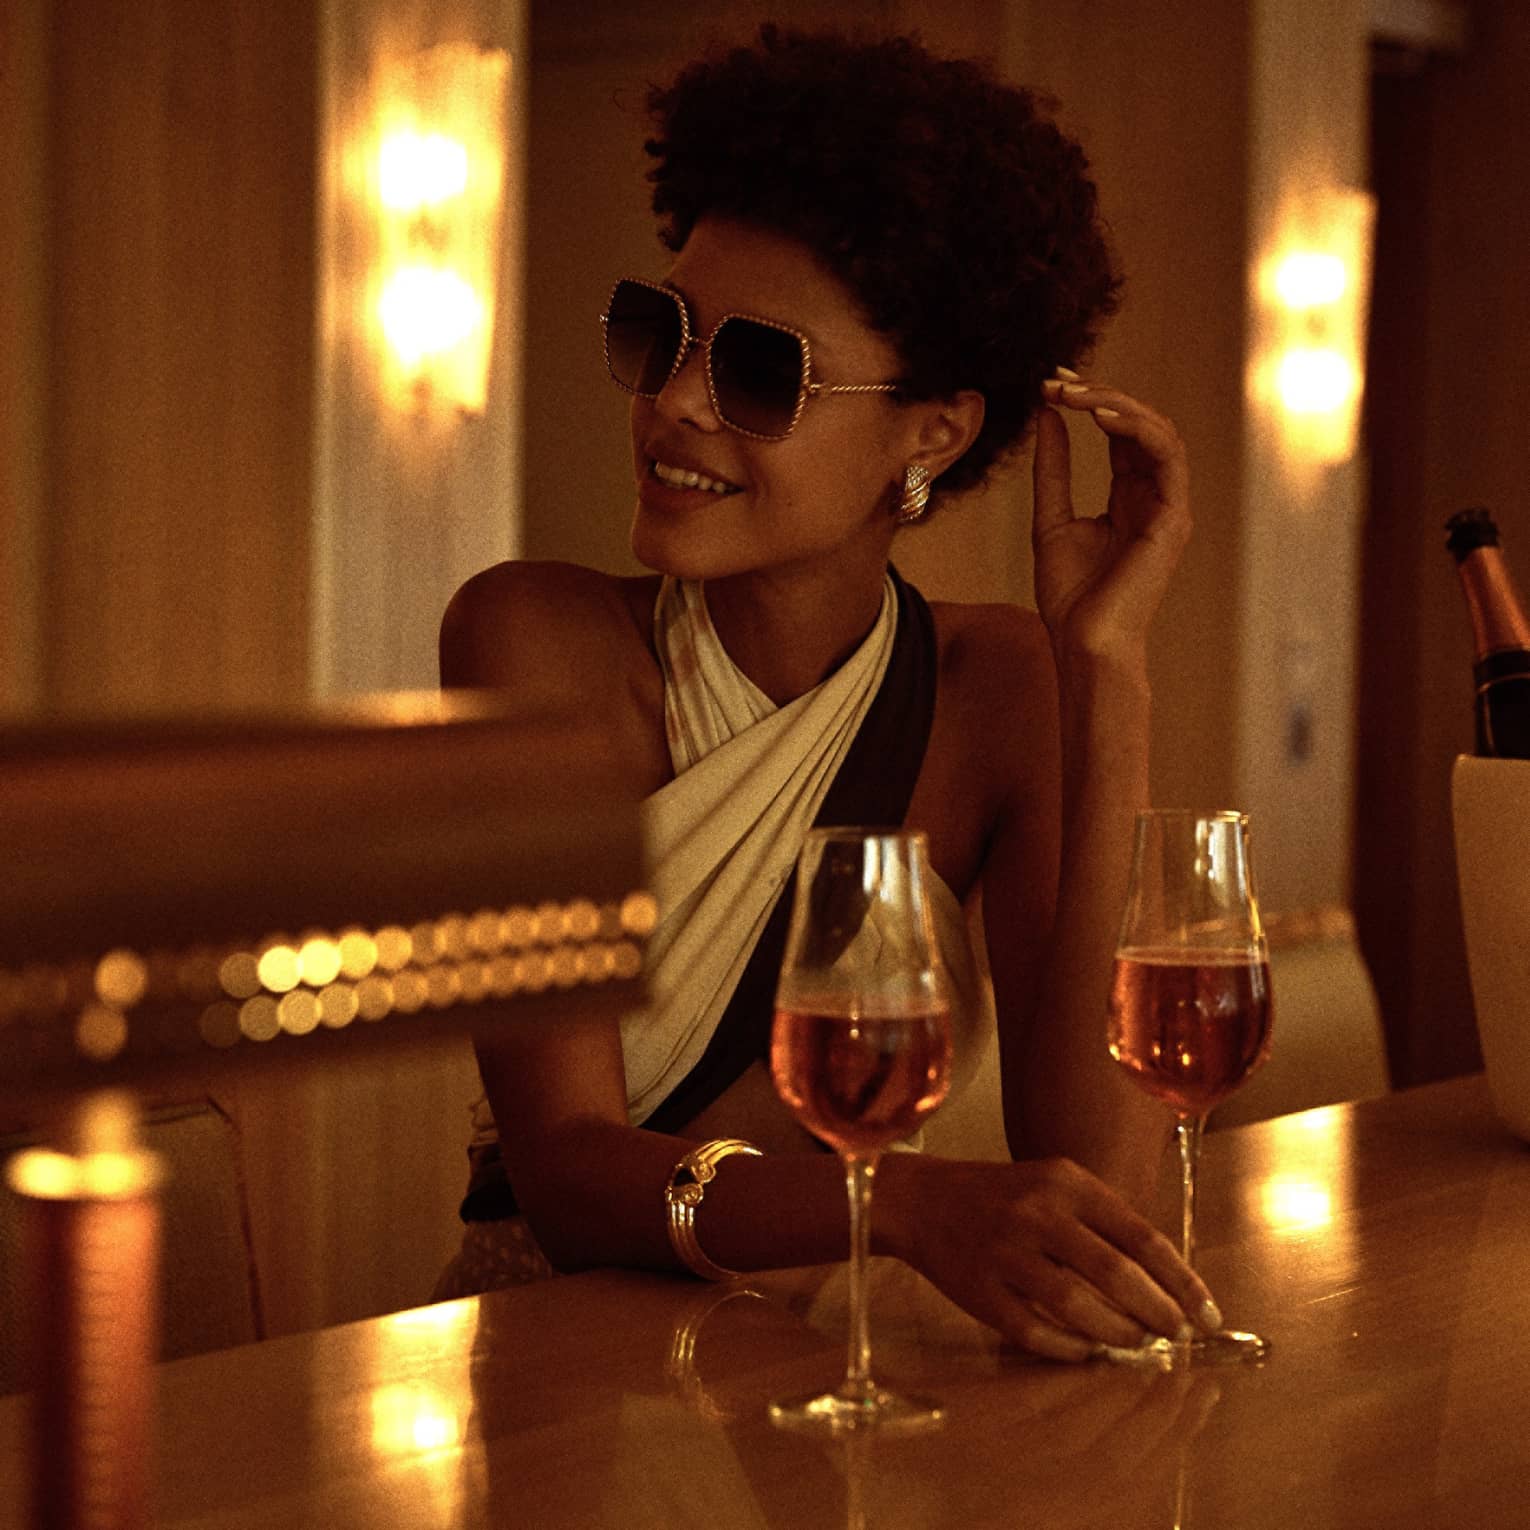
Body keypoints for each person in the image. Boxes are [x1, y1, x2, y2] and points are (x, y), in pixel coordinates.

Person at [434, 24, 1216, 1362]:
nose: (676, 402)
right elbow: (564, 1171)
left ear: (934, 431)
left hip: (822, 1365)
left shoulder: (997, 691)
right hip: (555, 1361)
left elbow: (1099, 1171)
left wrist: (1108, 663)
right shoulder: (533, 642)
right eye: (659, 334)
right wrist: (899, 1203)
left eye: (757, 370)